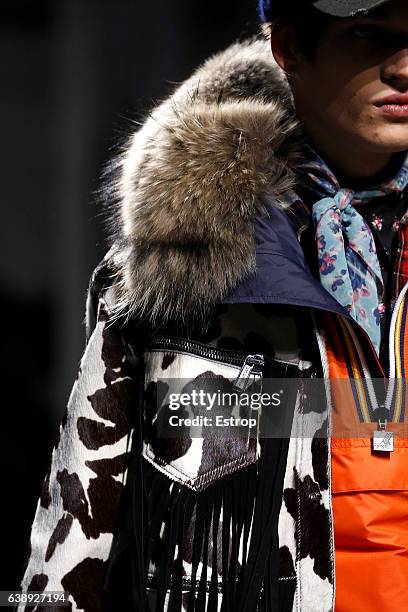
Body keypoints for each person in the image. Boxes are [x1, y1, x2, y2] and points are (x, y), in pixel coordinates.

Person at [19, 0, 408, 610]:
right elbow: (78, 531)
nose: (404, 68)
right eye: (366, 34)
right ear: (289, 49)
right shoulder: (180, 266)